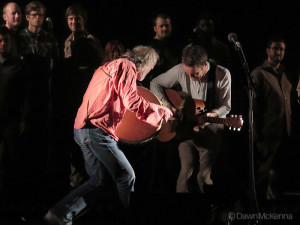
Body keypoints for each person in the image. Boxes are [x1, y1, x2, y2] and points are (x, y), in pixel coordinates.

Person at [44, 45, 173, 225]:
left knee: (100, 181)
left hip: (82, 130)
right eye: (152, 67)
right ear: (146, 63)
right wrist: (158, 111)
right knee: (126, 176)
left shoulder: (107, 66)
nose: (151, 71)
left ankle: (59, 214)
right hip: (96, 131)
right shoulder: (126, 66)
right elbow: (132, 100)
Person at [150, 44, 231, 193]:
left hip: (210, 130)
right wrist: (168, 105)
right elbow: (155, 83)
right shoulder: (181, 70)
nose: (190, 77)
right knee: (185, 172)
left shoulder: (222, 74)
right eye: (187, 73)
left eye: (195, 74)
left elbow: (226, 106)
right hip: (185, 128)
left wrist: (211, 115)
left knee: (203, 176)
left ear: (205, 65)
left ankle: (207, 212)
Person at [60, 3, 104, 189]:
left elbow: (99, 64)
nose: (73, 22)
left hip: (88, 93)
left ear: (83, 20)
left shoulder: (92, 40)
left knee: (89, 136)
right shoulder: (67, 41)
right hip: (71, 93)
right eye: (70, 19)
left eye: (77, 18)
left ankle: (94, 180)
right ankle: (75, 179)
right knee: (73, 138)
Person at [251, 37, 292, 200]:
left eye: (282, 49)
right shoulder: (258, 74)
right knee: (262, 174)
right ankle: (259, 211)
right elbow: (253, 107)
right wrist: (255, 134)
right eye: (275, 48)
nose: (279, 52)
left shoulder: (284, 73)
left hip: (283, 133)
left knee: (279, 175)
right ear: (268, 50)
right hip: (266, 134)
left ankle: (274, 209)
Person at [0, 25, 27, 216]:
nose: (2, 44)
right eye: (0, 41)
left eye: (6, 41)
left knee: (15, 164)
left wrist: (24, 119)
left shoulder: (18, 65)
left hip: (11, 122)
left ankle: (16, 206)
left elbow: (26, 96)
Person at [141, 13, 181, 89]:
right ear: (155, 28)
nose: (164, 29)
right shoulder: (148, 49)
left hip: (174, 89)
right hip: (155, 89)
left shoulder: (176, 47)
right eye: (161, 26)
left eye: (167, 26)